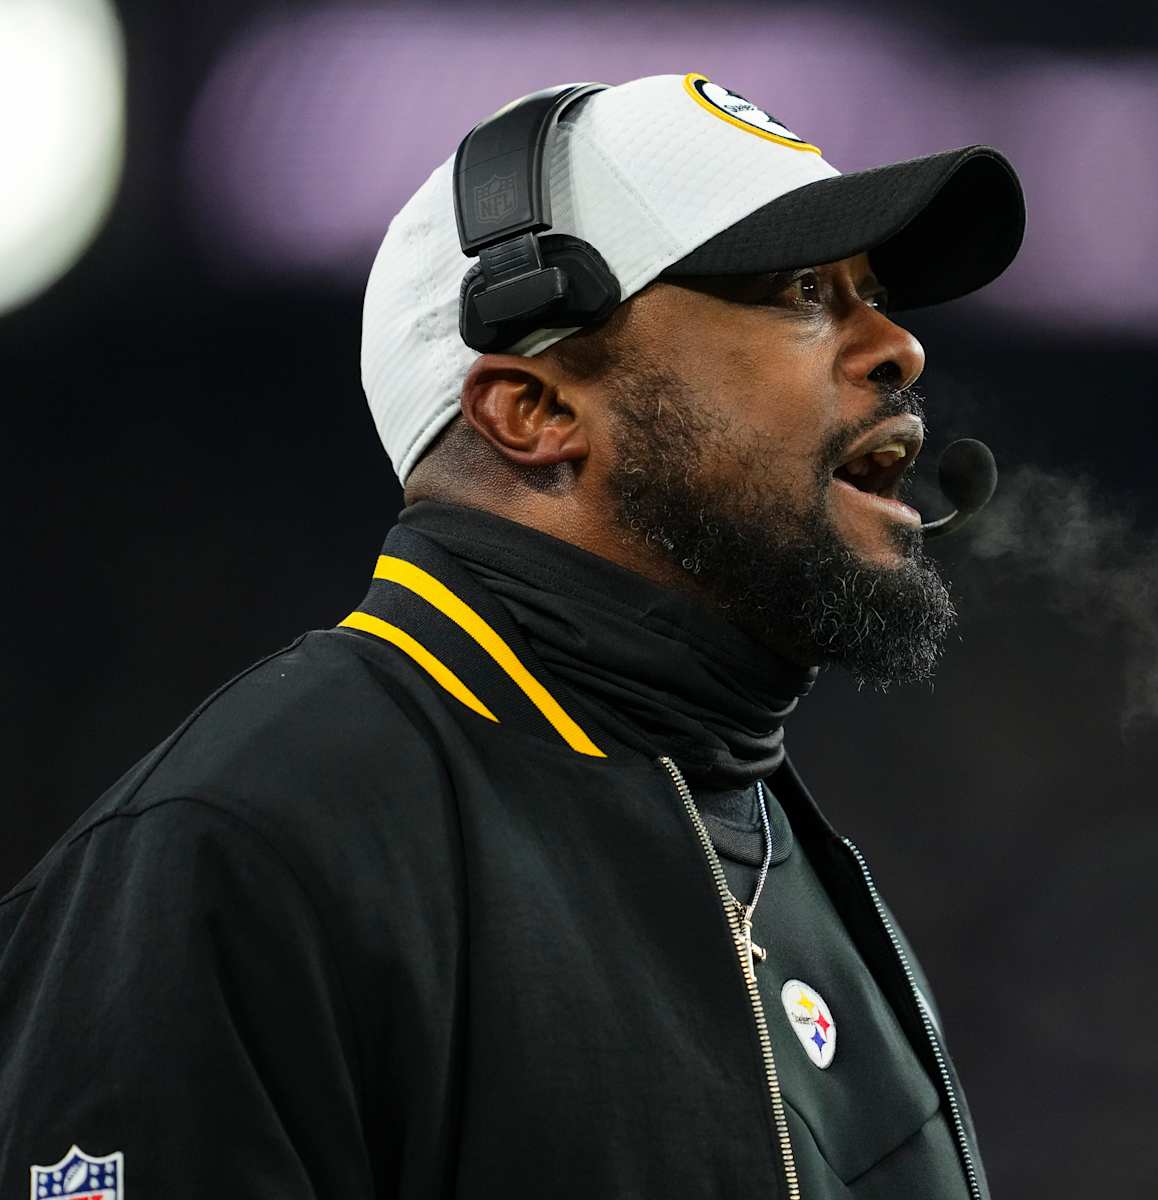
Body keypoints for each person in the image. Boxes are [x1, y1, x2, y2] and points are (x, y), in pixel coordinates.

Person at [0, 73, 1025, 1198]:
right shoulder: (245, 846)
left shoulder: (779, 847)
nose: (898, 347)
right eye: (801, 291)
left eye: (872, 293)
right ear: (533, 411)